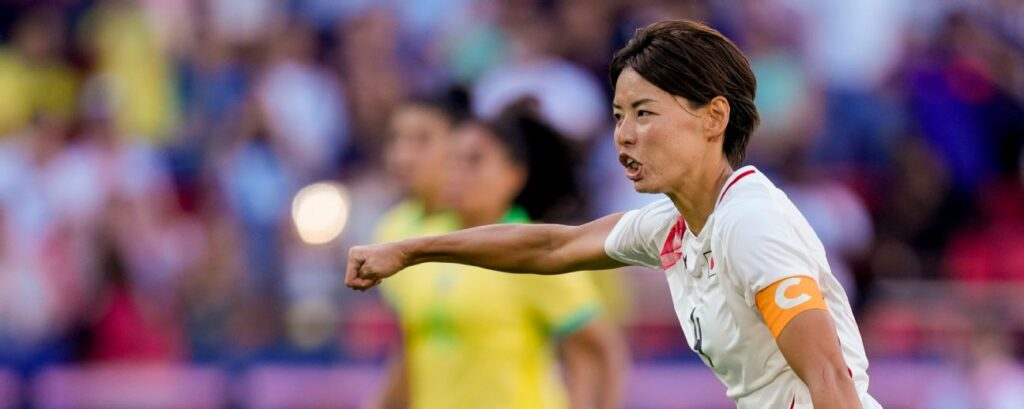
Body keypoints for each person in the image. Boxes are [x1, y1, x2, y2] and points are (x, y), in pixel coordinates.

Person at [348, 20, 880, 408]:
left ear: (714, 117)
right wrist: (410, 250)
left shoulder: (749, 222)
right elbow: (551, 247)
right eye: (619, 116)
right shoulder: (673, 226)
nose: (624, 135)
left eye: (645, 113)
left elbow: (830, 379)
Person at [368, 93, 625, 409]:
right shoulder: (420, 242)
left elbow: (597, 350)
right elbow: (413, 346)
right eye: (453, 161)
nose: (459, 174)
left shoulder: (530, 248)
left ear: (513, 175)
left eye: (475, 161)